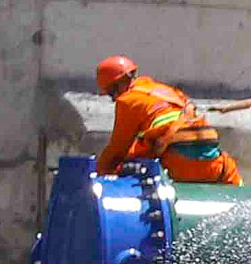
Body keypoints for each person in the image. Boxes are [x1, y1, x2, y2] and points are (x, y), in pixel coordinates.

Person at [93, 57, 236, 181]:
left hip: (178, 163)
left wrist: (98, 173)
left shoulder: (127, 100)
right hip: (216, 163)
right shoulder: (166, 90)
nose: (114, 99)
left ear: (116, 86)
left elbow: (118, 149)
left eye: (111, 94)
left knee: (132, 164)